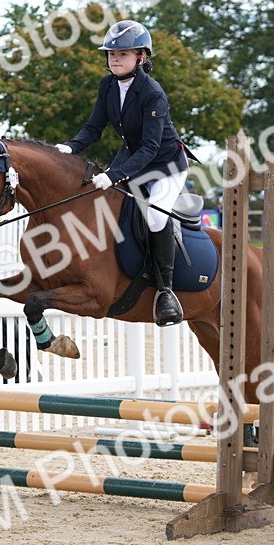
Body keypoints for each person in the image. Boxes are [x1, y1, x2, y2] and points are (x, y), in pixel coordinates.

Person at [57, 19, 190, 327]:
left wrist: (114, 174)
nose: (115, 59)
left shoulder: (152, 93)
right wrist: (70, 147)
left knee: (155, 217)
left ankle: (166, 292)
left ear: (140, 57)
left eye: (123, 54)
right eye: (111, 54)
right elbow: (94, 128)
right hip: (132, 159)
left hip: (166, 165)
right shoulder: (107, 85)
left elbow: (150, 147)